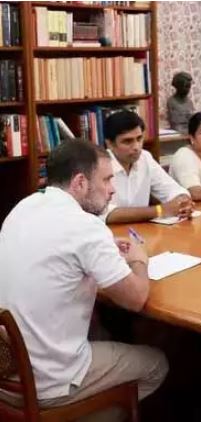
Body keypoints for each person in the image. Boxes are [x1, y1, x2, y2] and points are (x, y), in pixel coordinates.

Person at [0, 140, 168, 417]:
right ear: (80, 182)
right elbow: (136, 299)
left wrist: (104, 248)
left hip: (8, 368)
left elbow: (57, 249)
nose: (112, 189)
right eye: (107, 179)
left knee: (101, 329)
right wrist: (140, 259)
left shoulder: (23, 208)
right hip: (49, 380)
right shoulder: (85, 227)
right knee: (157, 364)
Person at [103, 110, 193, 224]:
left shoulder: (145, 158)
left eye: (139, 139)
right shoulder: (99, 165)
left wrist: (183, 202)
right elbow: (107, 214)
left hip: (143, 230)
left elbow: (173, 189)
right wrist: (160, 210)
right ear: (110, 144)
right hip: (111, 232)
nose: (136, 147)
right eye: (127, 141)